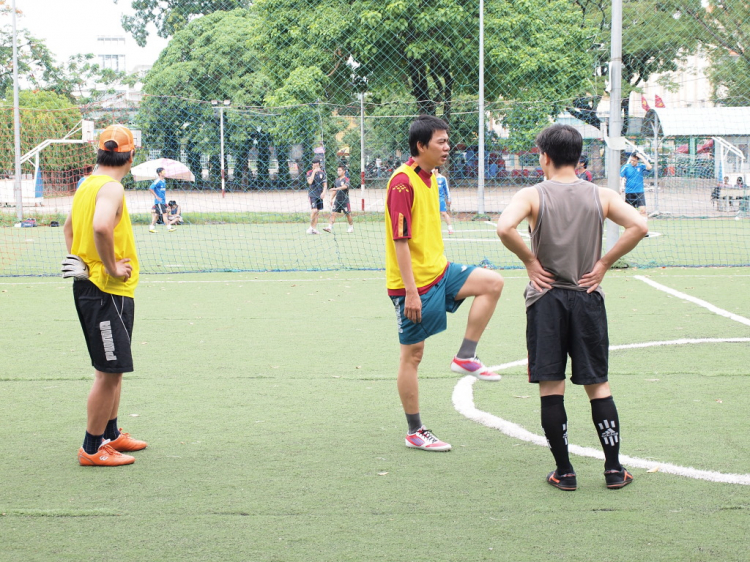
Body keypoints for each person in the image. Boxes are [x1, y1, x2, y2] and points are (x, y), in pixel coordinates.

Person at [497, 124, 648, 491]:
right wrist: (604, 264)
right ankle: (614, 469)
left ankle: (564, 472)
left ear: (544, 156)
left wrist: (530, 263)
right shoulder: (602, 195)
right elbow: (639, 226)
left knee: (552, 386)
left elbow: (504, 228)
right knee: (597, 385)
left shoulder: (532, 195)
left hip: (546, 300)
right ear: (579, 158)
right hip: (586, 297)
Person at [386, 115, 505, 453]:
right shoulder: (402, 183)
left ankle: (466, 356)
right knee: (413, 355)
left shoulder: (433, 178)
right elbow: (401, 241)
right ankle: (415, 430)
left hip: (440, 271)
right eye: (441, 142)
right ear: (421, 146)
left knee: (492, 283)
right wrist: (410, 291)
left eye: (447, 141)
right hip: (412, 284)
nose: (447, 148)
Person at [62, 124, 147, 467]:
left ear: (99, 152)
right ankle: (92, 448)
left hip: (101, 289)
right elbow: (99, 227)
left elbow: (69, 229)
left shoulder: (87, 184)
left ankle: (111, 435)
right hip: (105, 291)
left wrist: (80, 262)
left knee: (115, 370)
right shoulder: (111, 188)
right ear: (131, 155)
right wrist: (109, 267)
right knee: (107, 373)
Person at [323, 165, 354, 233]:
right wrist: (331, 199)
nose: (338, 172)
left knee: (348, 215)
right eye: (338, 170)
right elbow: (335, 191)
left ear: (344, 171)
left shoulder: (346, 179)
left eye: (340, 170)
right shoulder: (336, 180)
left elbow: (345, 187)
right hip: (337, 200)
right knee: (333, 213)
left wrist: (336, 188)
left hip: (345, 200)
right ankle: (329, 227)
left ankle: (351, 227)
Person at [620, 152, 652, 217]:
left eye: (634, 160)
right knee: (629, 212)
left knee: (643, 210)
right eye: (631, 160)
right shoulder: (626, 167)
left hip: (640, 191)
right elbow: (620, 177)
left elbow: (649, 167)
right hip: (629, 192)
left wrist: (642, 157)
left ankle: (643, 225)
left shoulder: (641, 166)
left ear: (637, 160)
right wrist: (620, 186)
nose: (632, 162)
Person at [306, 157, 327, 234]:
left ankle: (314, 228)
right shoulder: (309, 173)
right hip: (312, 194)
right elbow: (310, 182)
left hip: (319, 194)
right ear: (312, 165)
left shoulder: (322, 173)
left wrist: (324, 192)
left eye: (317, 164)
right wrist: (314, 172)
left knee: (317, 212)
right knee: (314, 210)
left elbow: (325, 184)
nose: (316, 166)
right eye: (314, 164)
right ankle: (310, 227)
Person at [149, 167, 174, 233]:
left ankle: (151, 228)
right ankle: (169, 227)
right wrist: (156, 196)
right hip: (159, 201)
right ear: (159, 173)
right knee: (165, 214)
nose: (165, 172)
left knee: (157, 216)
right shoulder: (157, 181)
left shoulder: (164, 181)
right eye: (163, 171)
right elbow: (151, 188)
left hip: (163, 201)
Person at [435, 167, 454, 234]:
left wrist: (449, 198)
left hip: (440, 199)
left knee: (443, 213)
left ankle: (450, 228)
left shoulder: (442, 178)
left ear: (436, 169)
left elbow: (446, 189)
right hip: (432, 200)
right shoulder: (429, 178)